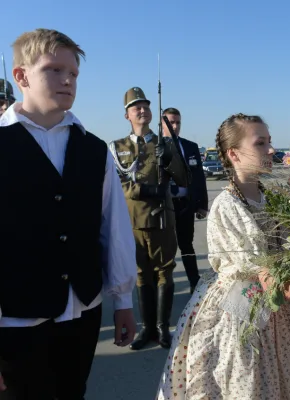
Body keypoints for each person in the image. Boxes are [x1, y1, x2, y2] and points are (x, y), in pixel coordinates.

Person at [0, 28, 137, 399]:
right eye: (54, 70)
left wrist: (123, 300)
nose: (67, 80)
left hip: (83, 311)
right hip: (16, 319)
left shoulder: (93, 149)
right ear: (21, 76)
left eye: (73, 73)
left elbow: (114, 228)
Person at [156, 113, 290, 399]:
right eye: (260, 143)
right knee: (250, 384)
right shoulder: (227, 206)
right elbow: (267, 275)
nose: (271, 149)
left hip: (278, 310)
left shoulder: (271, 199)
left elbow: (286, 256)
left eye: (269, 142)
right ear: (234, 154)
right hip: (242, 317)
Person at [109, 87, 190, 350]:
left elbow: (182, 178)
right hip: (132, 221)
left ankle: (163, 328)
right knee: (142, 275)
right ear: (127, 115)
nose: (141, 110)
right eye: (136, 107)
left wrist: (172, 155)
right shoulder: (117, 147)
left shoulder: (165, 143)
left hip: (161, 220)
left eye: (145, 106)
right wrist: (146, 190)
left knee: (164, 272)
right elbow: (117, 183)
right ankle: (146, 329)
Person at [162, 107, 209, 294]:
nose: (175, 126)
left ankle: (194, 282)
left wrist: (202, 204)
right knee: (166, 248)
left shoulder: (190, 147)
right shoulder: (155, 147)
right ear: (162, 123)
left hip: (185, 204)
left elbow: (199, 177)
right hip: (164, 206)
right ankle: (165, 286)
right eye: (170, 122)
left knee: (186, 244)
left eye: (177, 122)